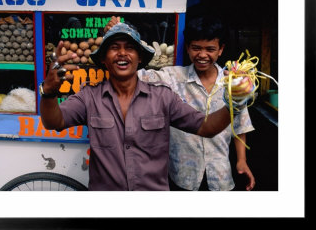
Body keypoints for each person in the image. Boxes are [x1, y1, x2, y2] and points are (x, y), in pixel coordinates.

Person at [39, 22, 253, 191]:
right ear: (104, 59)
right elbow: (53, 122)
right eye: (114, 48)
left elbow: (207, 128)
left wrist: (235, 102)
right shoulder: (89, 97)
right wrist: (48, 93)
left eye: (130, 48)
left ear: (140, 58)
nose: (122, 53)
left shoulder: (163, 97)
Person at [105, 15, 256, 191]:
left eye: (210, 49)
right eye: (196, 48)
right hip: (182, 176)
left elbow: (240, 124)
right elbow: (134, 75)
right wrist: (117, 37)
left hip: (220, 177)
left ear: (220, 50)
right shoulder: (172, 77)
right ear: (187, 48)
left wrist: (241, 161)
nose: (202, 55)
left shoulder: (232, 82)